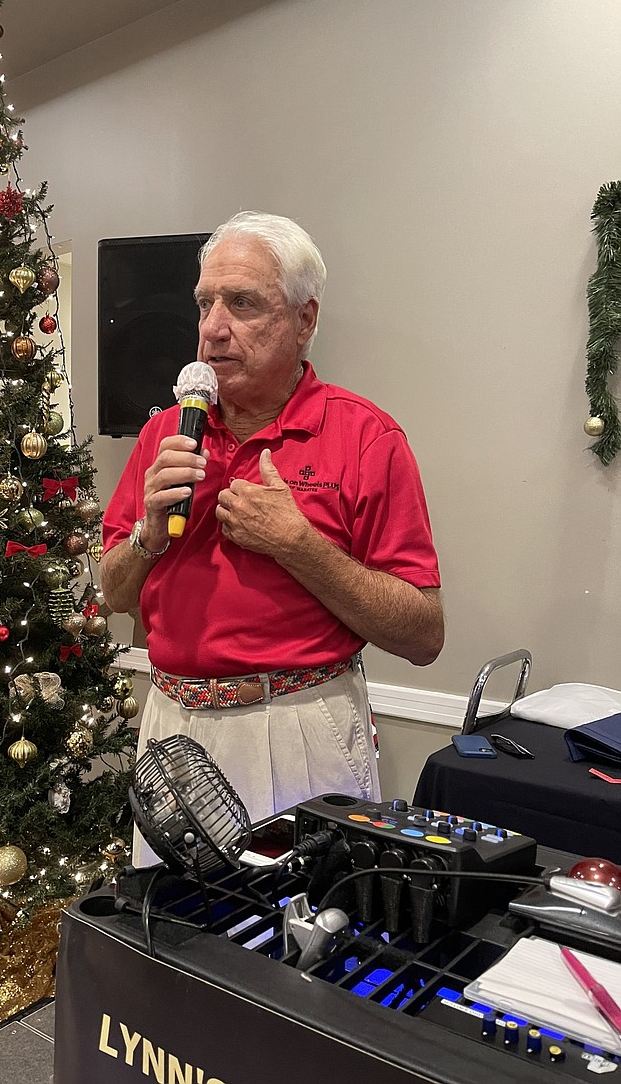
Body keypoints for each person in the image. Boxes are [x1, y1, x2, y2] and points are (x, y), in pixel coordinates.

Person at [101, 212, 443, 865]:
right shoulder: (163, 436)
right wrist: (147, 535)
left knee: (302, 954)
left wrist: (298, 545)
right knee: (170, 945)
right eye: (205, 303)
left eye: (243, 303)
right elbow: (115, 592)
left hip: (298, 729)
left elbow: (424, 633)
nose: (212, 327)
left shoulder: (367, 439)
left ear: (304, 320)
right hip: (172, 729)